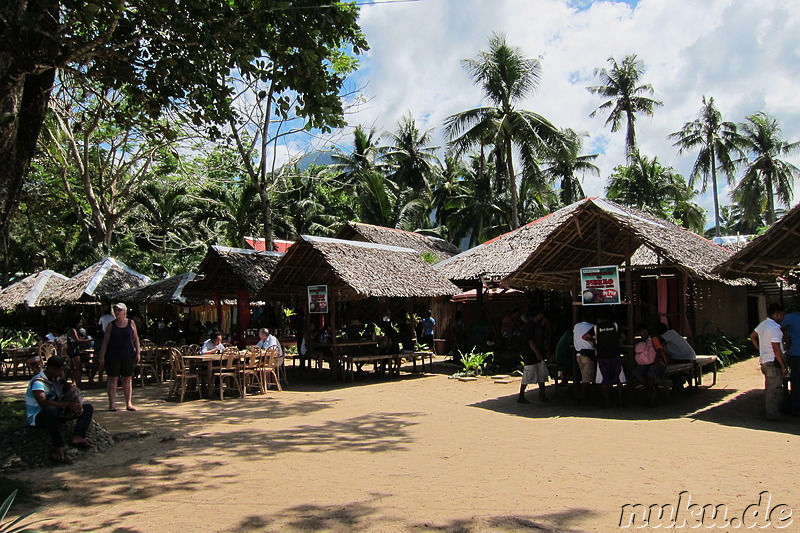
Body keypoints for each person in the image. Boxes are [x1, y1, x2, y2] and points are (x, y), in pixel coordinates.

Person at [25, 356, 93, 461]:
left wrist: (76, 402)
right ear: (51, 369)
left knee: (88, 408)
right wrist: (67, 404)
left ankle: (78, 436)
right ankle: (58, 445)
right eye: (60, 370)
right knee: (50, 410)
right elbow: (43, 403)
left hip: (57, 411)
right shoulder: (38, 382)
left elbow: (68, 391)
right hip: (40, 415)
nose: (62, 373)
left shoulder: (56, 380)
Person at [98, 302, 141, 412]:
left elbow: (136, 339)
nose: (117, 312)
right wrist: (102, 356)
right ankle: (112, 404)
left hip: (128, 354)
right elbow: (105, 342)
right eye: (115, 310)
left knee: (127, 379)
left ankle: (128, 403)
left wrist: (138, 353)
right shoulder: (111, 325)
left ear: (124, 312)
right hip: (113, 355)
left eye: (119, 310)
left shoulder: (131, 323)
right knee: (113, 379)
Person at [750, 302, 787, 420]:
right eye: (782, 314)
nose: (783, 317)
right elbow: (776, 348)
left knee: (770, 387)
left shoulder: (764, 324)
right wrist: (783, 365)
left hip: (765, 360)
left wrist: (760, 349)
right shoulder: (774, 328)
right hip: (772, 360)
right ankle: (772, 414)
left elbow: (752, 335)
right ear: (777, 315)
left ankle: (772, 411)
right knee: (774, 388)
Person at [584, 310, 625, 407]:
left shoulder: (596, 328)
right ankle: (621, 401)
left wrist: (594, 340)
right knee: (618, 379)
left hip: (602, 357)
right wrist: (615, 340)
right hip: (615, 355)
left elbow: (584, 337)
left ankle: (607, 402)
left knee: (604, 379)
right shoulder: (615, 325)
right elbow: (623, 337)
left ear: (598, 319)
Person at [517, 309, 549, 404]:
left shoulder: (538, 325)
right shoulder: (529, 326)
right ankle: (521, 395)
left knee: (541, 374)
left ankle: (542, 394)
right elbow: (530, 341)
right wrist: (537, 353)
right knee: (528, 374)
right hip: (530, 354)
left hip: (538, 352)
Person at [632, 324, 667, 407]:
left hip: (657, 362)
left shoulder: (654, 339)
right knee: (636, 373)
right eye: (642, 332)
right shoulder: (639, 341)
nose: (643, 333)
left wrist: (655, 364)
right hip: (645, 363)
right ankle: (651, 389)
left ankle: (650, 397)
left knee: (651, 374)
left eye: (645, 331)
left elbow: (659, 351)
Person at [780, 309, 800, 416]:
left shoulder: (791, 317)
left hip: (795, 354)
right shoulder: (792, 317)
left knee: (796, 381)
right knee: (796, 381)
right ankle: (795, 406)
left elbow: (776, 325)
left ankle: (794, 407)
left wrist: (785, 338)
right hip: (795, 354)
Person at [573, 313, 596, 403]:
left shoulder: (576, 326)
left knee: (584, 375)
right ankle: (583, 398)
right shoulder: (593, 327)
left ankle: (584, 396)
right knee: (586, 378)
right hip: (588, 355)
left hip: (579, 354)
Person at [66, 316, 93, 387]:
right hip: (73, 350)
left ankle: (64, 380)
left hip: (74, 348)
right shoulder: (73, 330)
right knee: (78, 367)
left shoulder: (75, 330)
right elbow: (77, 340)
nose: (80, 324)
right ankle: (79, 383)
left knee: (70, 367)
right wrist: (89, 340)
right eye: (79, 323)